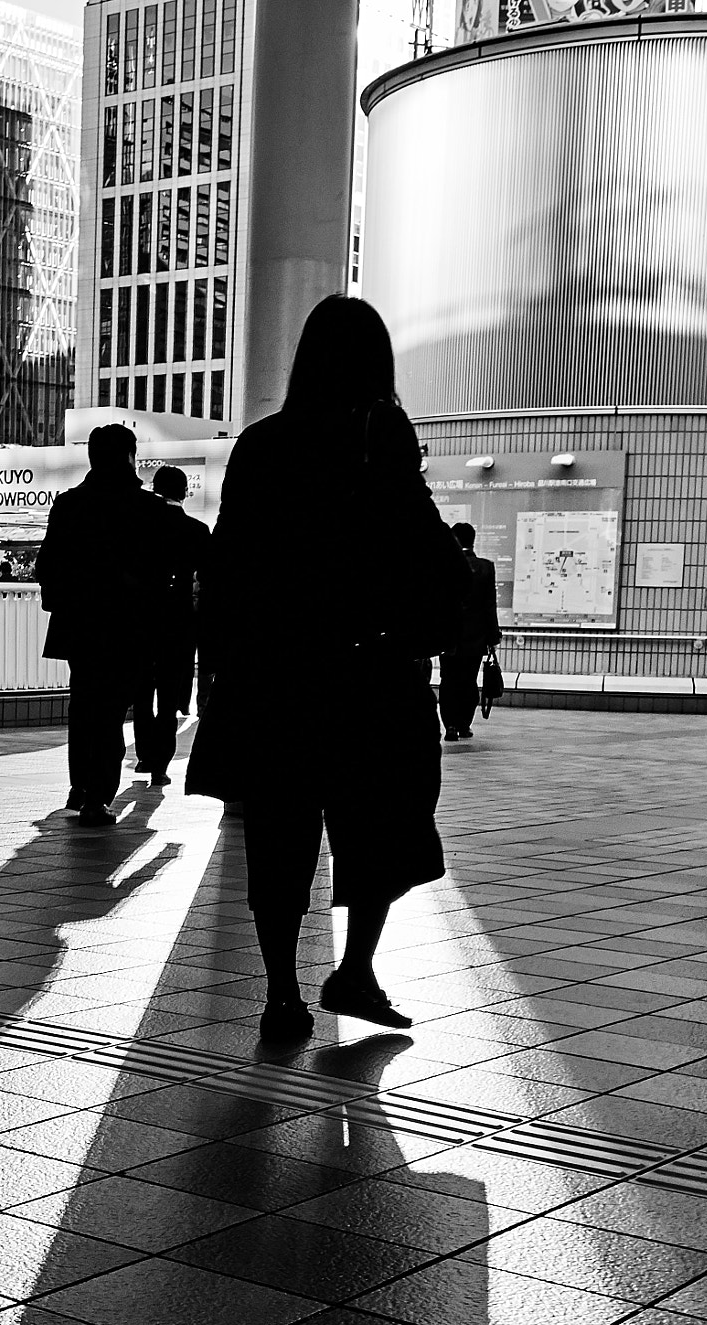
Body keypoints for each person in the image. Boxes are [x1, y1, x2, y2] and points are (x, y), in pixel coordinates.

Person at [188, 294, 462, 1042]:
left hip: (276, 675)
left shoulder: (262, 443)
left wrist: (218, 668)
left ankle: (282, 994)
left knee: (279, 836)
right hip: (368, 671)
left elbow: (229, 561)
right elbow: (417, 537)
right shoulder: (380, 431)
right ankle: (355, 970)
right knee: (378, 825)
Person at [37, 423, 175, 826]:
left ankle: (79, 788)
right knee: (112, 710)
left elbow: (47, 565)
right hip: (128, 626)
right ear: (130, 457)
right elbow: (160, 575)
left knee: (83, 704)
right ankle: (98, 795)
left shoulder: (69, 505)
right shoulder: (149, 510)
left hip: (79, 623)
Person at [132, 464, 209, 787]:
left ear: (154, 489)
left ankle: (144, 755)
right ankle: (160, 765)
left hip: (141, 620)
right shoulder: (197, 531)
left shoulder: (139, 524)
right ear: (184, 493)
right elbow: (208, 581)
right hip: (179, 625)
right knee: (168, 696)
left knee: (141, 692)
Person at [439, 523, 502, 741]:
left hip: (448, 637)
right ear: (472, 540)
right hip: (476, 638)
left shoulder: (444, 567)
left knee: (448, 681)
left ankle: (450, 726)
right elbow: (489, 606)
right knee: (468, 680)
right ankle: (464, 724)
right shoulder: (486, 567)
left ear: (454, 539)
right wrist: (493, 636)